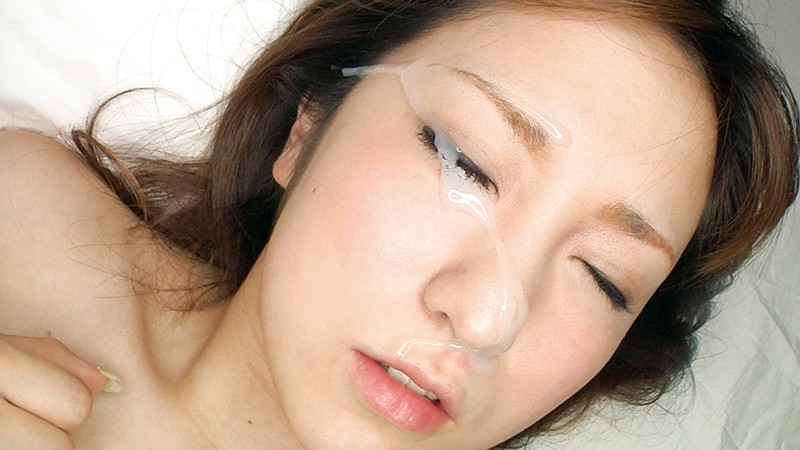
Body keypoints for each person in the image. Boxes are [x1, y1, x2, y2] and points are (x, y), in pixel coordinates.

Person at [0, 0, 797, 448]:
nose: (486, 319)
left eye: (604, 279)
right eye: (466, 162)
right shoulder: (22, 214)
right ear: (308, 125)